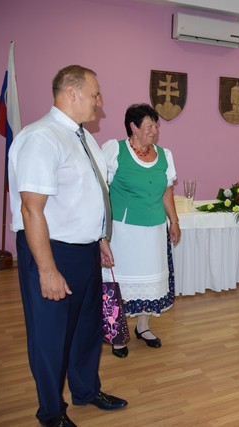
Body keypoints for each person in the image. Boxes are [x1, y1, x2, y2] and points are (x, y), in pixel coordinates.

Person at [8, 65, 127, 427]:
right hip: (51, 251)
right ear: (72, 93)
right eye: (95, 94)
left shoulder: (83, 137)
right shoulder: (41, 138)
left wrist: (100, 237)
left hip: (85, 250)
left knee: (87, 328)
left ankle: (86, 390)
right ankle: (51, 412)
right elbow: (31, 209)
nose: (99, 102)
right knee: (51, 336)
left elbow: (88, 195)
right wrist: (47, 270)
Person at [101, 103, 181, 358]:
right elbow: (100, 190)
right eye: (149, 126)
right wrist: (101, 232)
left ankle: (143, 327)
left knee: (150, 280)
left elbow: (166, 191)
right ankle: (116, 335)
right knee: (117, 282)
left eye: (156, 125)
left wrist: (174, 221)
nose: (154, 130)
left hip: (154, 230)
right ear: (133, 127)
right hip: (123, 231)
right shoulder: (114, 150)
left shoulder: (165, 155)